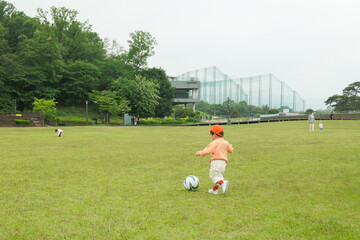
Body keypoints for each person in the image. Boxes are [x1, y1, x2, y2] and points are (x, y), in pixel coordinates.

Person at [195, 125, 234, 195]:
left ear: (215, 135)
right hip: (223, 163)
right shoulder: (225, 142)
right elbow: (231, 150)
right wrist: (230, 146)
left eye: (211, 134)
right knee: (218, 176)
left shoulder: (214, 142)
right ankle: (214, 190)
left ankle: (223, 183)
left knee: (213, 175)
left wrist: (200, 153)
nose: (211, 136)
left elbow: (208, 150)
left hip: (216, 161)